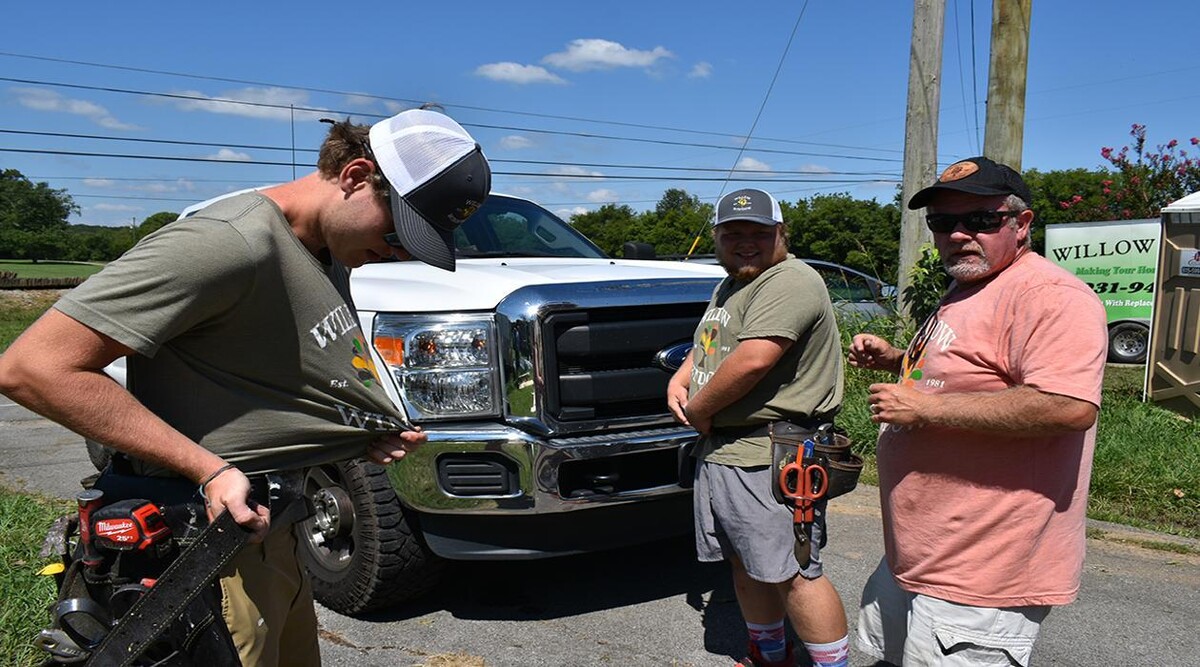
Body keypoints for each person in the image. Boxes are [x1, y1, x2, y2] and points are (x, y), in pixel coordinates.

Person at [0, 108, 491, 665]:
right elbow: (33, 368)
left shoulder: (323, 250)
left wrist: (351, 433)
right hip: (201, 547)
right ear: (354, 177)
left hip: (272, 533)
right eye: (397, 232)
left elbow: (268, 374)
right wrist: (207, 469)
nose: (401, 252)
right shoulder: (226, 241)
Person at [849, 156, 1107, 666]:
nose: (960, 234)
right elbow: (969, 372)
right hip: (924, 550)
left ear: (1021, 223)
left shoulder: (1050, 297)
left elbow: (1068, 405)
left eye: (981, 219)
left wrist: (924, 411)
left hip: (985, 564)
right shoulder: (969, 285)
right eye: (944, 222)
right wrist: (899, 360)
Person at [667, 188, 850, 667]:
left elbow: (753, 360)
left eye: (758, 232)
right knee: (748, 564)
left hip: (773, 453)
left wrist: (701, 409)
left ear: (781, 234)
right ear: (717, 237)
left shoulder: (790, 279)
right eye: (733, 233)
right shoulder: (732, 285)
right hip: (729, 450)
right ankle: (769, 655)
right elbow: (714, 343)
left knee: (796, 572)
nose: (744, 242)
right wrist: (682, 377)